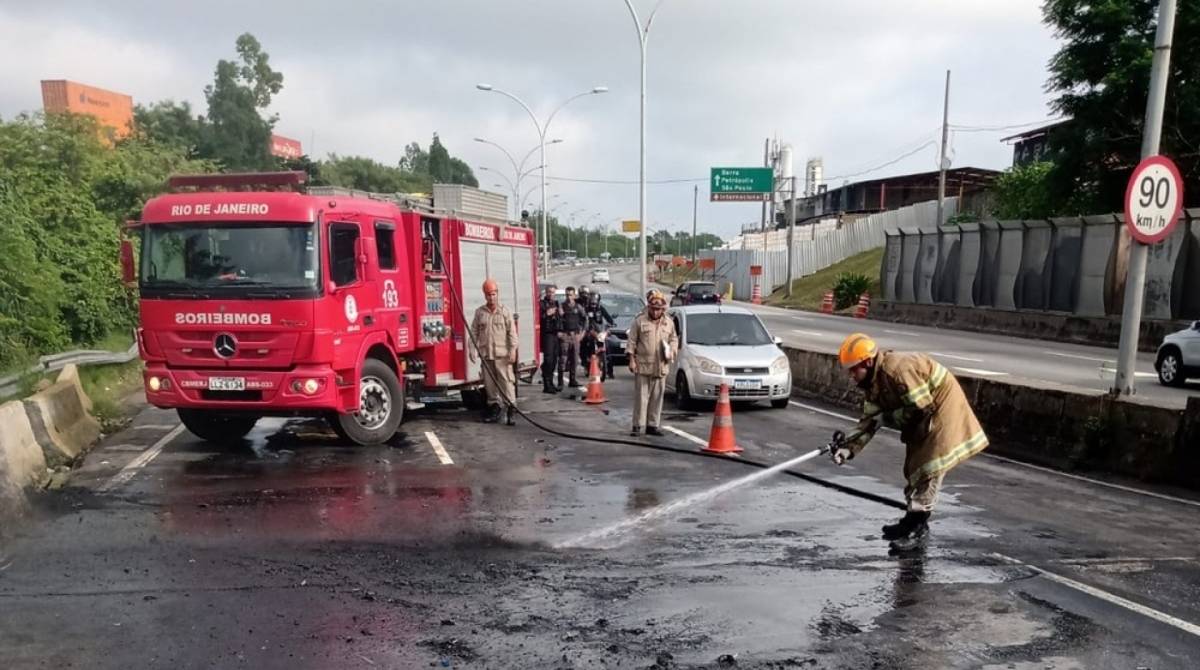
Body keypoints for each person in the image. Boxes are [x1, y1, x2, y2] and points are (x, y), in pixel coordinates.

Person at [830, 333, 989, 552]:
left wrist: (888, 417)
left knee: (930, 466)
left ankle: (918, 528)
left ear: (867, 362)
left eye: (853, 370)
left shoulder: (898, 370)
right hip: (922, 415)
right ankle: (910, 521)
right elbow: (869, 420)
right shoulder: (873, 383)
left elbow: (921, 407)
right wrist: (848, 449)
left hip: (941, 409)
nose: (851, 376)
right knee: (914, 466)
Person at [627, 290, 677, 437]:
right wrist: (631, 360)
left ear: (663, 310)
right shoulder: (640, 321)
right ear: (649, 307)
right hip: (643, 365)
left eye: (659, 310)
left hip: (661, 365)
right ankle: (637, 425)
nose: (656, 312)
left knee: (657, 397)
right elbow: (632, 341)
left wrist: (672, 350)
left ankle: (652, 425)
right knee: (641, 397)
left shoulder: (669, 323)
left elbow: (674, 339)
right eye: (653, 309)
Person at [470, 278, 519, 426]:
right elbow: (474, 331)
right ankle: (494, 409)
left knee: (506, 384)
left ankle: (511, 409)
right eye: (488, 295)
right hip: (487, 356)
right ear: (484, 296)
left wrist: (513, 350)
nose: (491, 297)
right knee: (490, 385)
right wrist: (472, 349)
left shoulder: (505, 312)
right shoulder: (480, 313)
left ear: (497, 294)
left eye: (493, 294)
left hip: (502, 356)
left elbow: (512, 333)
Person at [580, 286, 615, 380]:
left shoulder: (600, 308)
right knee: (585, 343)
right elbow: (582, 319)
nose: (593, 303)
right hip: (590, 330)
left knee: (608, 347)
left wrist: (611, 323)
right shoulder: (586, 309)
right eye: (592, 300)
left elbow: (608, 317)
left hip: (599, 331)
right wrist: (585, 328)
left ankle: (610, 371)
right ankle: (585, 363)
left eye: (595, 300)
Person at [558, 286, 588, 388]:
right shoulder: (562, 307)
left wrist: (582, 333)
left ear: (574, 295)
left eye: (570, 295)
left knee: (574, 359)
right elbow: (557, 321)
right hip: (565, 335)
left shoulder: (578, 307)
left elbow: (585, 319)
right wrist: (559, 332)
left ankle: (572, 380)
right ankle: (560, 382)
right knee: (563, 359)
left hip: (575, 336)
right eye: (567, 295)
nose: (568, 297)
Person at [538, 283, 563, 393]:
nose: (551, 294)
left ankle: (551, 383)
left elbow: (559, 319)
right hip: (547, 334)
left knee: (554, 360)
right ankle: (546, 384)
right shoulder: (542, 304)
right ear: (546, 293)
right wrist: (547, 313)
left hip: (555, 334)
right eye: (549, 292)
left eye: (553, 292)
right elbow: (540, 318)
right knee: (548, 360)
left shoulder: (556, 303)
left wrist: (561, 329)